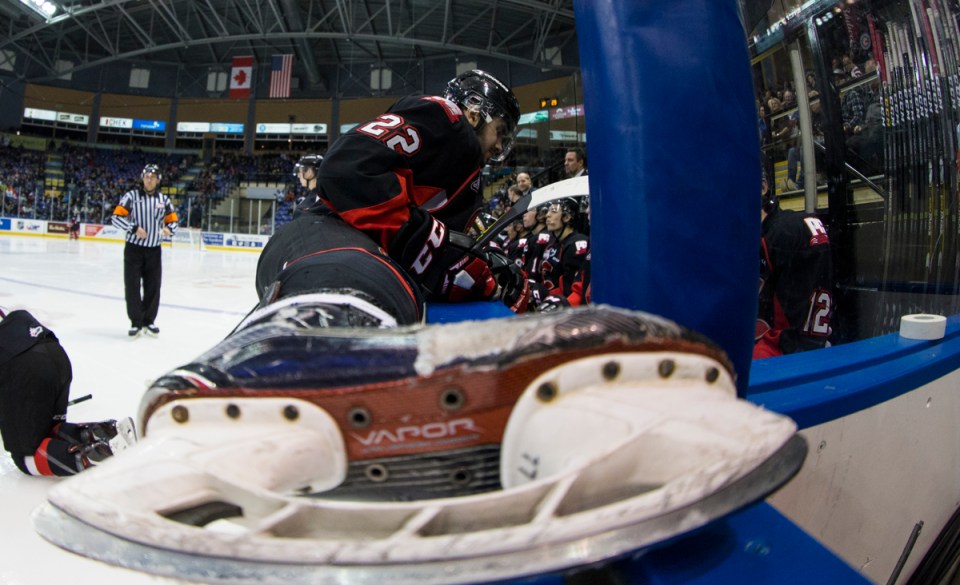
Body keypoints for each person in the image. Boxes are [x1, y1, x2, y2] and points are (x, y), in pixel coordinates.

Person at [307, 69, 528, 311]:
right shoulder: (446, 116)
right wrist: (424, 242)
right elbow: (346, 169)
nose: (499, 146)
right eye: (500, 132)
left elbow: (452, 243)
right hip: (324, 243)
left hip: (337, 251)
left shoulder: (465, 166)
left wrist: (489, 266)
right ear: (474, 112)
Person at [0, 307, 135, 476]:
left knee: (25, 456)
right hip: (55, 355)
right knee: (48, 430)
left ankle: (93, 458)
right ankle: (101, 431)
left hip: (25, 369)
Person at [755, 175, 834, 359]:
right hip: (809, 347)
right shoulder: (791, 226)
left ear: (762, 187)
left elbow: (796, 336)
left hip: (790, 356)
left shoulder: (784, 233)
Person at [111, 164, 179, 338]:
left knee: (153, 287)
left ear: (158, 180)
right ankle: (136, 321)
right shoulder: (131, 197)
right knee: (132, 286)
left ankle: (149, 320)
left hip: (154, 250)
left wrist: (169, 230)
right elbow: (116, 218)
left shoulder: (164, 200)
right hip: (134, 250)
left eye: (153, 177)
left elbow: (173, 221)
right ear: (143, 179)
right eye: (147, 177)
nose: (150, 180)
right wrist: (133, 228)